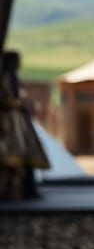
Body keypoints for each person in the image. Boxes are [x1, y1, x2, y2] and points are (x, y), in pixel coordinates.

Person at [0, 50, 49, 200]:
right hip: (11, 122)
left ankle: (23, 189)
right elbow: (7, 98)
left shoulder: (12, 78)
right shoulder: (6, 78)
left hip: (18, 120)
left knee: (24, 155)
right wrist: (19, 104)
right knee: (14, 155)